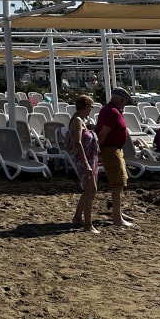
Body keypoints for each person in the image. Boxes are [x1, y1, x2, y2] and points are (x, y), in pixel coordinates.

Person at [96, 87, 133, 228]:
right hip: (111, 149)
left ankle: (118, 212)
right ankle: (117, 217)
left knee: (120, 182)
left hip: (114, 148)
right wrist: (97, 149)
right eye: (125, 101)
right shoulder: (112, 112)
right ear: (122, 100)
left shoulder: (110, 110)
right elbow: (104, 133)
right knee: (118, 183)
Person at [67, 95, 100, 233]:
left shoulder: (80, 120)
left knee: (89, 190)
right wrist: (86, 163)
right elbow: (78, 142)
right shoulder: (77, 120)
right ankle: (88, 224)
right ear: (85, 107)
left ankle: (77, 217)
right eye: (90, 107)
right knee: (91, 190)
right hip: (84, 159)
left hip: (90, 158)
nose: (91, 110)